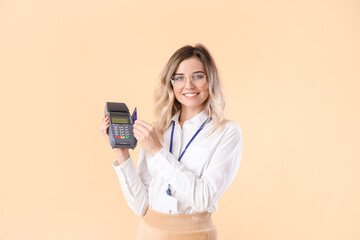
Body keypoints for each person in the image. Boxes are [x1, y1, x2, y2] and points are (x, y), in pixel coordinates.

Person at [100, 44, 242, 240]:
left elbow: (203, 198)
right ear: (171, 83)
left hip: (196, 234)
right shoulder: (157, 131)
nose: (188, 85)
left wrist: (158, 151)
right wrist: (122, 154)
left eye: (198, 76)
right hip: (148, 233)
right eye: (180, 78)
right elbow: (140, 205)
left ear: (210, 80)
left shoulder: (227, 133)